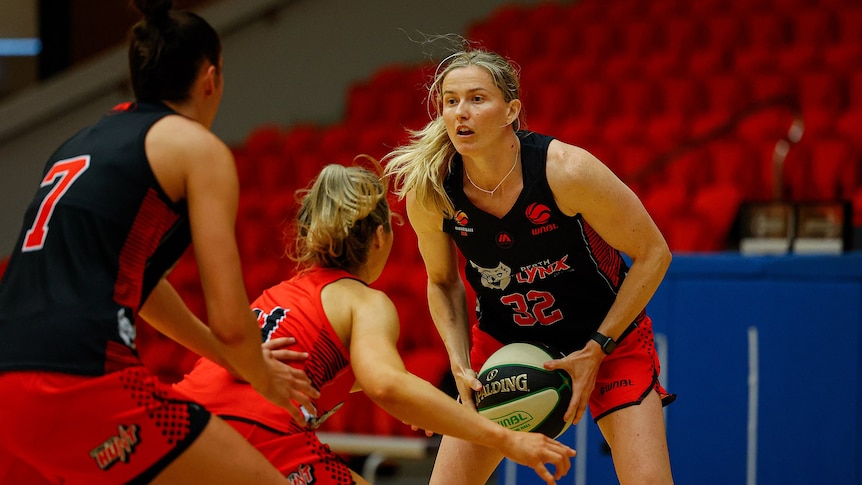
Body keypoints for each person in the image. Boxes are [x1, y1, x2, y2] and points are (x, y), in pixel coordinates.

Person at [0, 0, 319, 483]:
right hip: (80, 378)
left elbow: (139, 286)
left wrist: (230, 358)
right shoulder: (197, 148)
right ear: (210, 79)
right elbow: (233, 322)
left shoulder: (79, 142)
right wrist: (261, 374)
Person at [173, 159, 577, 485]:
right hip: (253, 437)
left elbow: (373, 380)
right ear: (382, 236)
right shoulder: (364, 301)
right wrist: (507, 439)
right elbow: (387, 384)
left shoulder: (281, 295)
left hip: (179, 427)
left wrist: (422, 408)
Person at [383, 46, 676, 485]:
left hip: (606, 339)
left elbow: (655, 254)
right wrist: (460, 363)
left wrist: (596, 348)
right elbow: (443, 282)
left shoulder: (565, 170)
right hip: (505, 345)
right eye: (450, 101)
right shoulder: (432, 191)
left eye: (477, 99)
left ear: (510, 111)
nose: (461, 112)